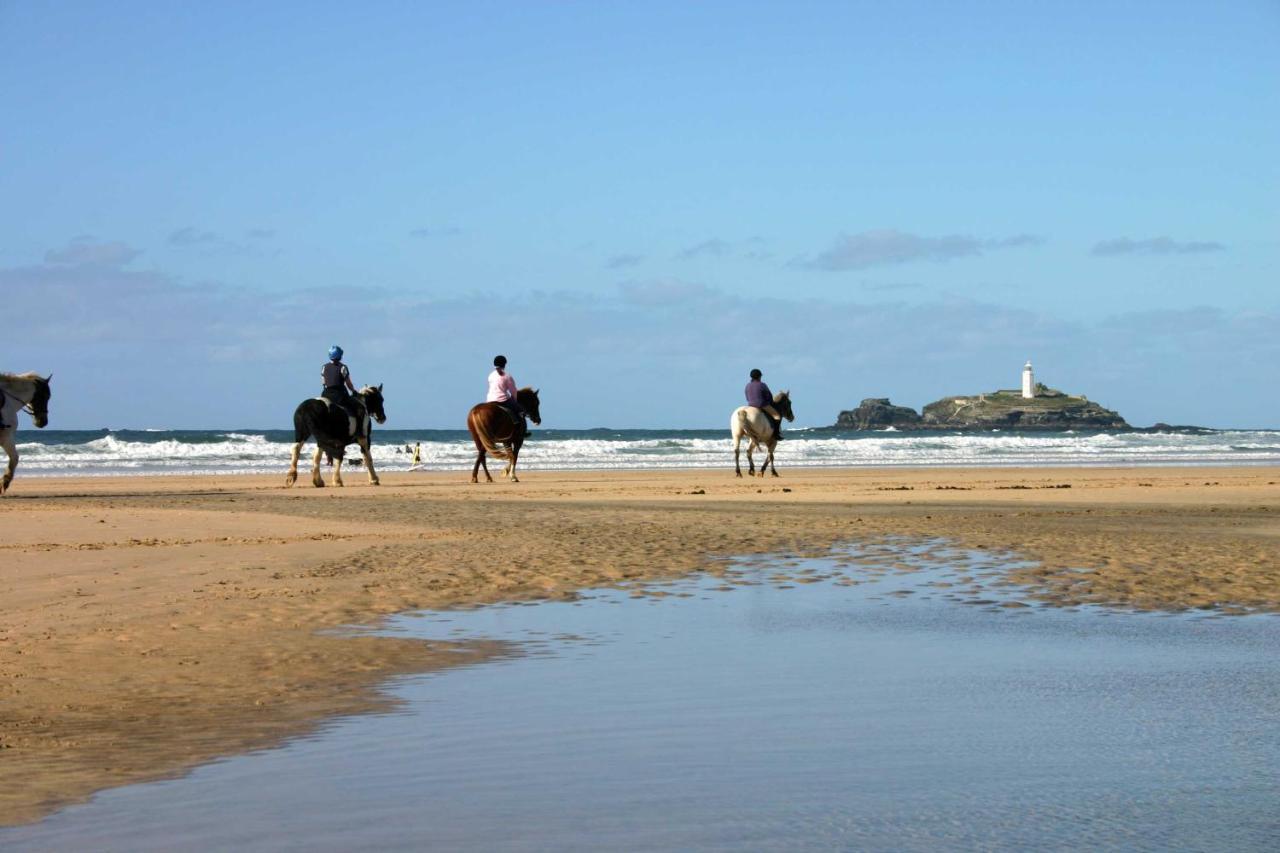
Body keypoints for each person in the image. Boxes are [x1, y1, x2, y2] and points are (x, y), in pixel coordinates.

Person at [487, 354, 527, 438]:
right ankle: (521, 431)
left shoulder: (490, 375)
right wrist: (515, 401)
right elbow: (513, 391)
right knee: (521, 411)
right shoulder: (507, 376)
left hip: (490, 400)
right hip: (502, 400)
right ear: (504, 364)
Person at [321, 345, 358, 422]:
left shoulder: (324, 367)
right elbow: (348, 383)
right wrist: (354, 391)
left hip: (326, 393)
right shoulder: (343, 367)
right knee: (354, 407)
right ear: (339, 356)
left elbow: (323, 382)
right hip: (339, 394)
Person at [744, 368, 783, 441]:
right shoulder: (762, 385)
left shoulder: (747, 385)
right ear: (759, 376)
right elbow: (769, 396)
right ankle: (776, 434)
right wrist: (770, 402)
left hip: (750, 405)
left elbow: (747, 396)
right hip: (762, 405)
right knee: (777, 416)